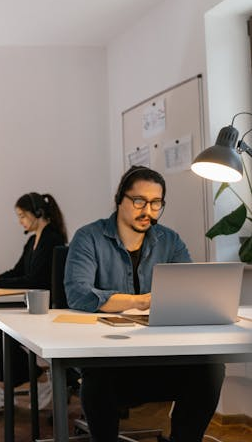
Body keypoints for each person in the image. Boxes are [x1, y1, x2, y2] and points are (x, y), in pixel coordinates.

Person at [64, 166, 224, 442]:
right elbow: (78, 294)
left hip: (158, 355)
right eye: (139, 201)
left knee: (209, 369)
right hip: (108, 358)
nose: (147, 211)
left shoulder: (169, 240)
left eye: (156, 203)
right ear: (120, 199)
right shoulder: (88, 237)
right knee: (98, 375)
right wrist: (140, 302)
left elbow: (188, 289)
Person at [0, 192, 67, 410]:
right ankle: (3, 388)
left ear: (38, 213)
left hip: (48, 309)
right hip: (34, 305)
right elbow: (17, 272)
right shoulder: (33, 240)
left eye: (22, 215)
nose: (20, 221)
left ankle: (36, 381)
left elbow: (34, 279)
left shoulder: (52, 239)